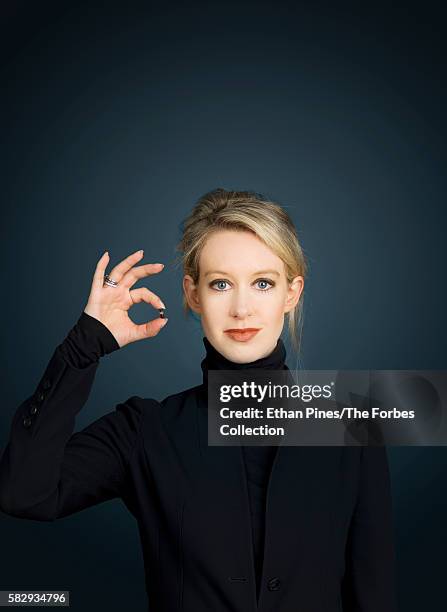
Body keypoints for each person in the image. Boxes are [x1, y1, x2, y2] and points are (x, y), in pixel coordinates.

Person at [0, 188, 398, 611]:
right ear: (193, 294)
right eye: (220, 284)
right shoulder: (145, 431)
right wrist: (84, 346)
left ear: (291, 293)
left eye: (263, 283)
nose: (241, 308)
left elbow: (372, 594)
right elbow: (24, 494)